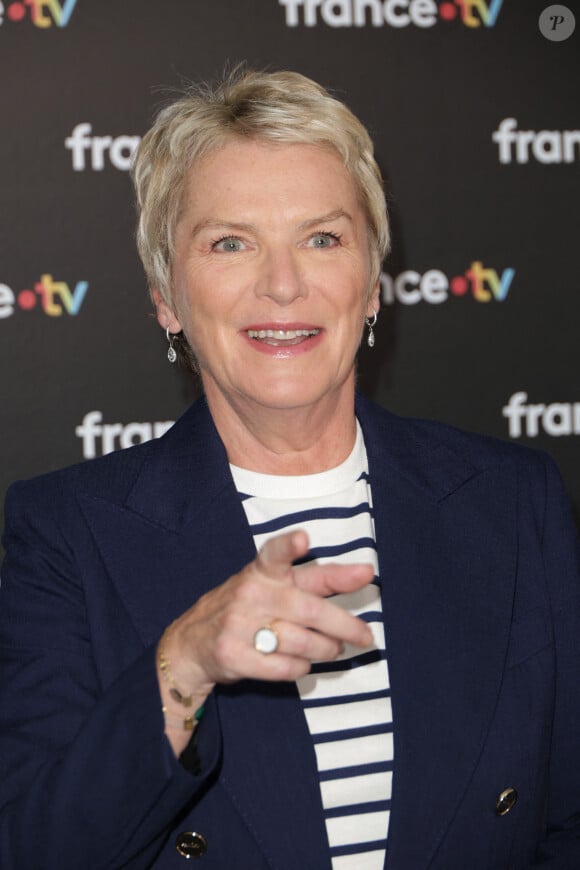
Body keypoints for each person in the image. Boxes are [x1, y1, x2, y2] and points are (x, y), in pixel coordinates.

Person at [1, 68, 579, 870]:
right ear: (167, 296)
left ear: (371, 283)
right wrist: (187, 661)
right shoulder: (65, 534)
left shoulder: (514, 501)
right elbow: (37, 849)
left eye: (322, 237)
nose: (283, 283)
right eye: (230, 242)